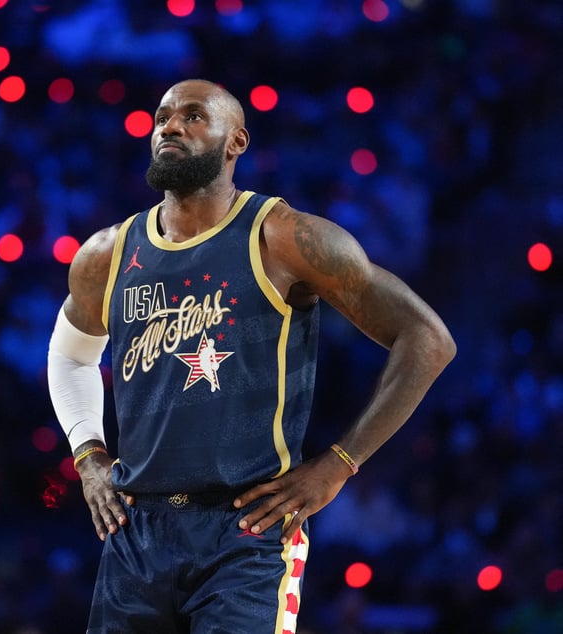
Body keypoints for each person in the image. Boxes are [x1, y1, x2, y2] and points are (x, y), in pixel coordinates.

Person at [46, 79, 456, 633]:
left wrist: (339, 464)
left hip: (246, 531)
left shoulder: (284, 238)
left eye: (193, 117)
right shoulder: (108, 253)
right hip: (136, 529)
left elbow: (427, 339)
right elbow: (69, 356)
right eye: (163, 116)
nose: (170, 126)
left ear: (236, 141)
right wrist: (89, 454)